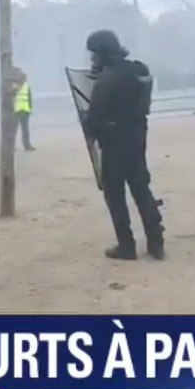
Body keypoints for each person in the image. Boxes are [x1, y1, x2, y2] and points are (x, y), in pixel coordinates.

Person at [84, 30, 165, 261]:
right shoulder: (137, 70)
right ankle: (156, 242)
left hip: (114, 142)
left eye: (94, 54)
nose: (92, 60)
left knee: (115, 194)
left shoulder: (108, 79)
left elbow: (94, 118)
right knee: (141, 188)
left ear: (102, 52)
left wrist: (94, 130)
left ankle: (126, 245)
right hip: (137, 137)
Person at [9, 67, 35, 152]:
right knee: (16, 130)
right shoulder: (14, 85)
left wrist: (30, 108)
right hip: (18, 110)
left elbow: (29, 98)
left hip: (22, 110)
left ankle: (26, 146)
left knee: (22, 130)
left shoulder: (20, 85)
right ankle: (25, 146)